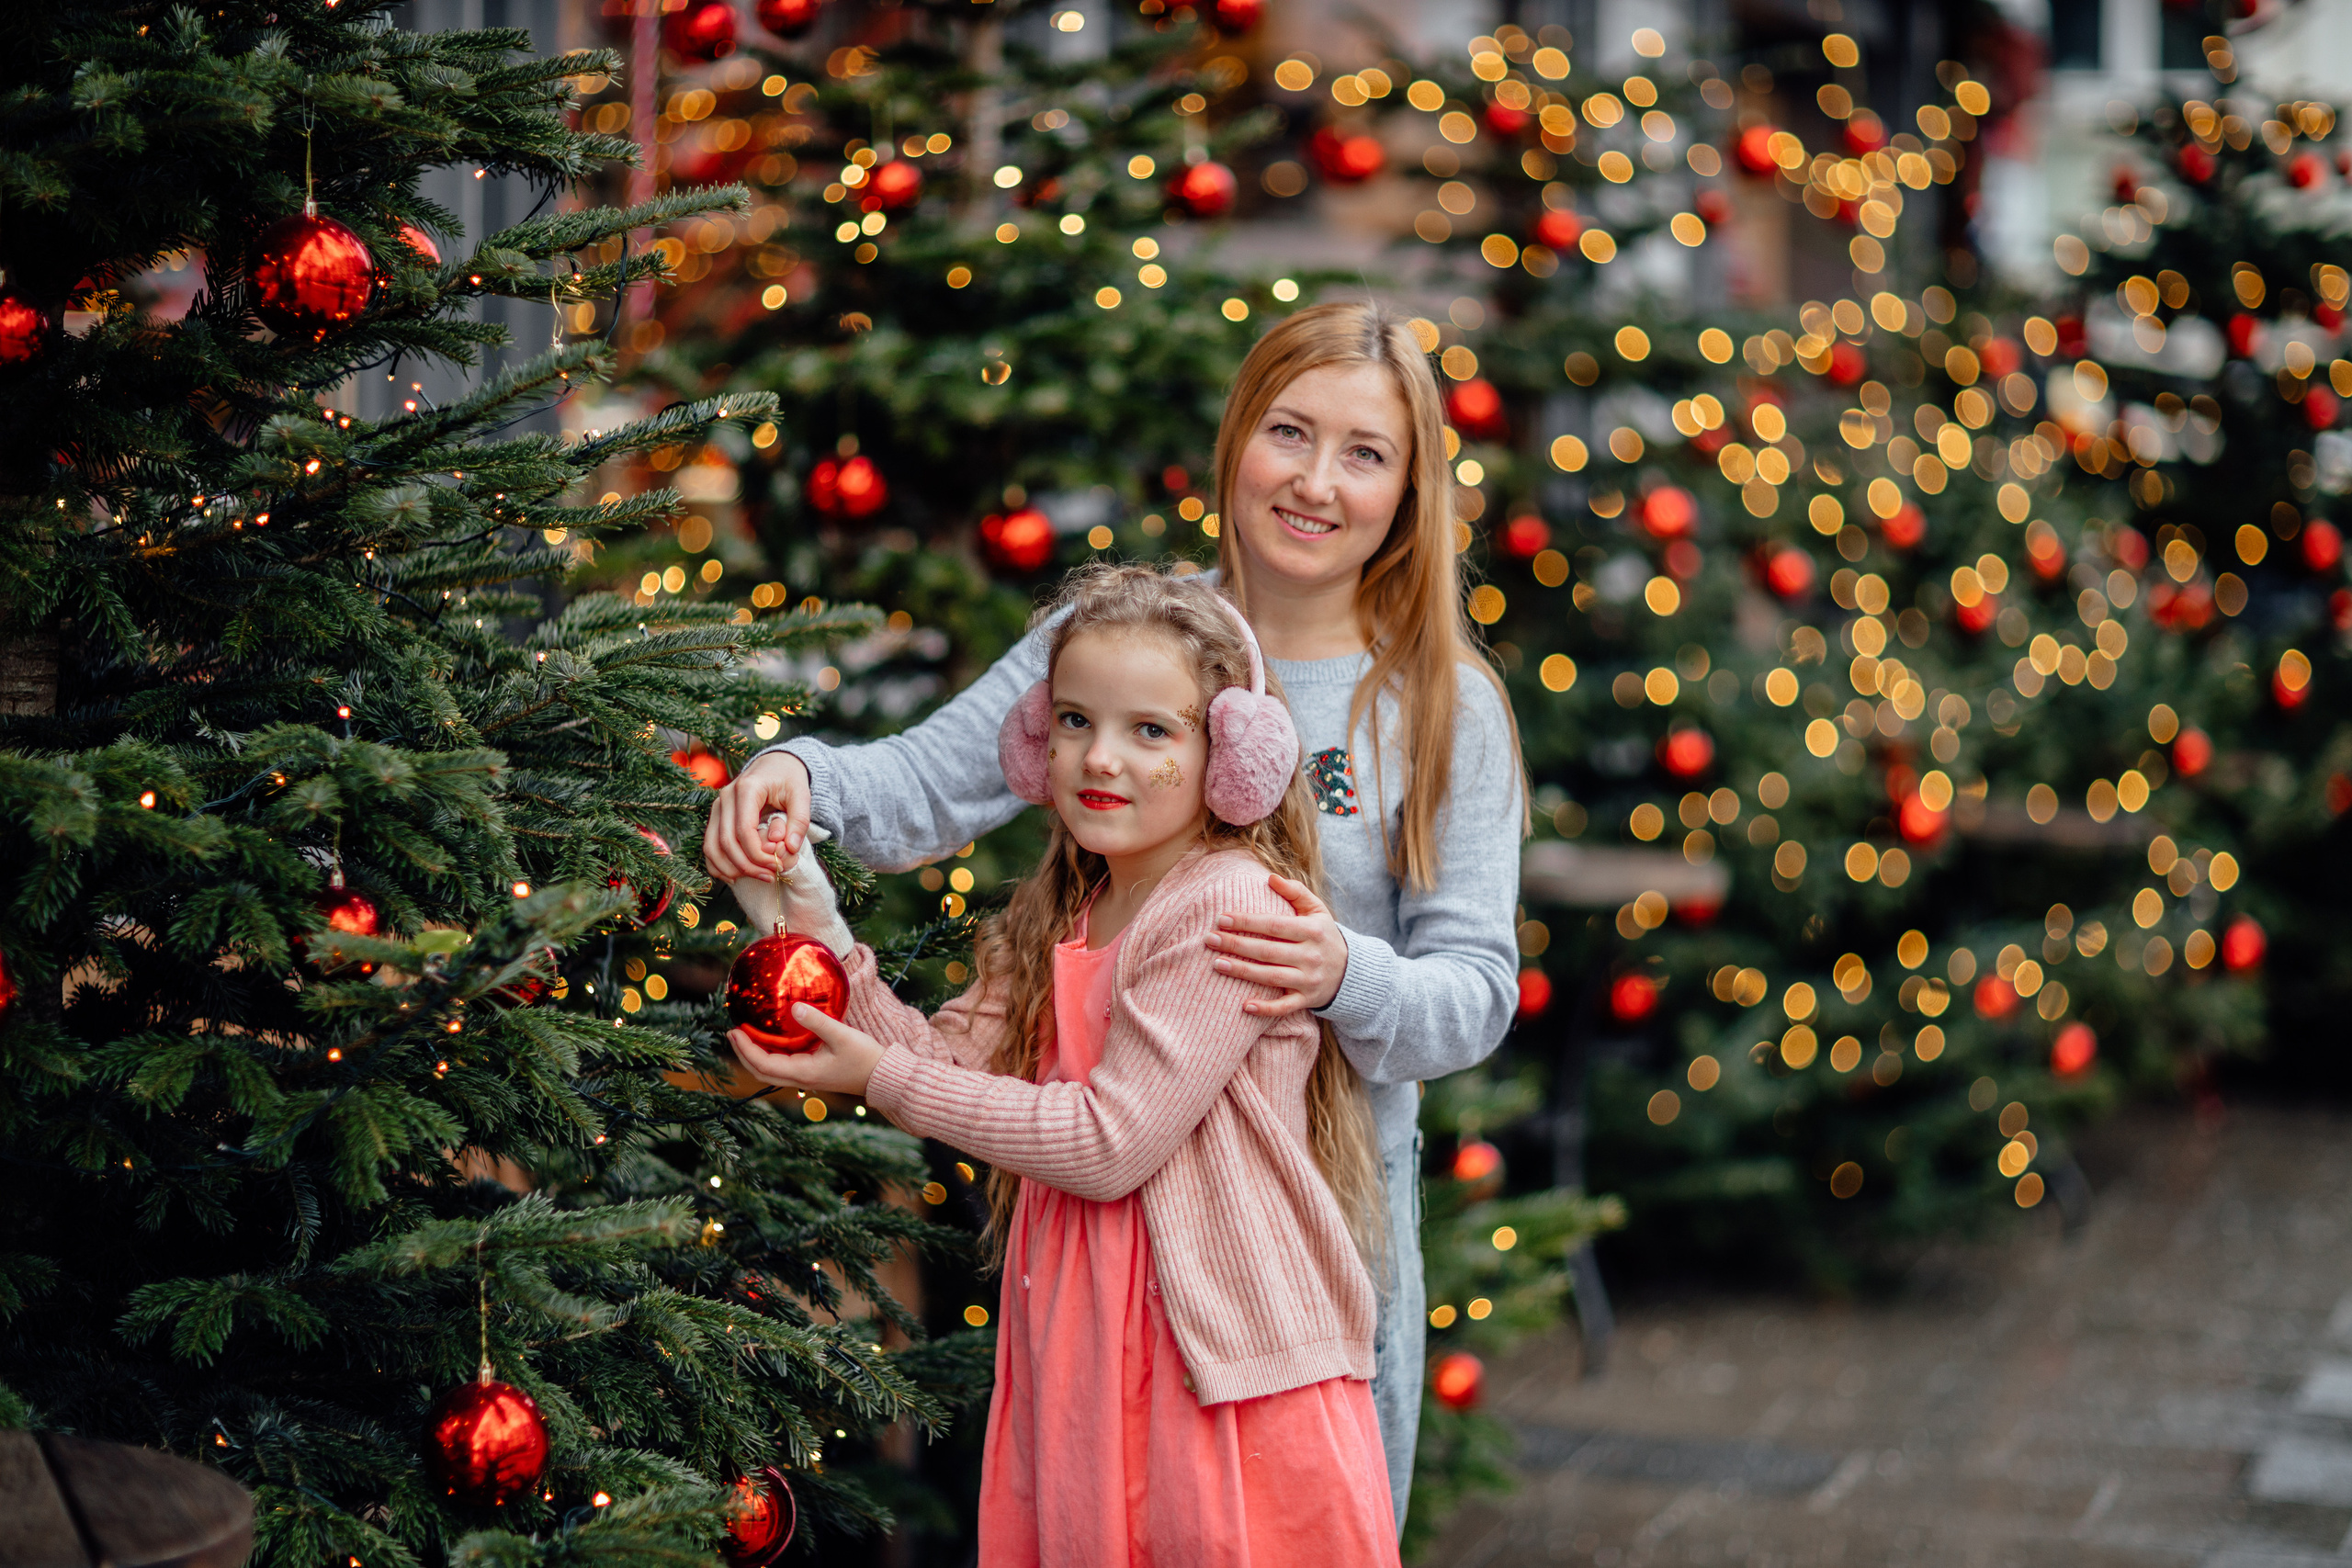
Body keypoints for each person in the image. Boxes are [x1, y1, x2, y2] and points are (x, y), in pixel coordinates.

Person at [705, 299, 1526, 1526]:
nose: (1314, 480)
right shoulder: (1130, 638)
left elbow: (1476, 989)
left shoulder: (1439, 701)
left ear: (1410, 490)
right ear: (1237, 437)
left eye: (1365, 452)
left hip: (1312, 1213)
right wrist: (807, 776)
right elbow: (933, 776)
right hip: (1096, 1250)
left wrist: (1339, 968)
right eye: (1288, 432)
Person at [728, 566, 1398, 1565]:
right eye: (1077, 721)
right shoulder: (1062, 912)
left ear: (1232, 760)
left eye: (1152, 731)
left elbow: (1109, 1142)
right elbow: (944, 1065)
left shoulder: (1225, 907)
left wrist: (876, 1076)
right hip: (1087, 1345)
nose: (1101, 758)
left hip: (1211, 1373)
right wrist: (805, 915)